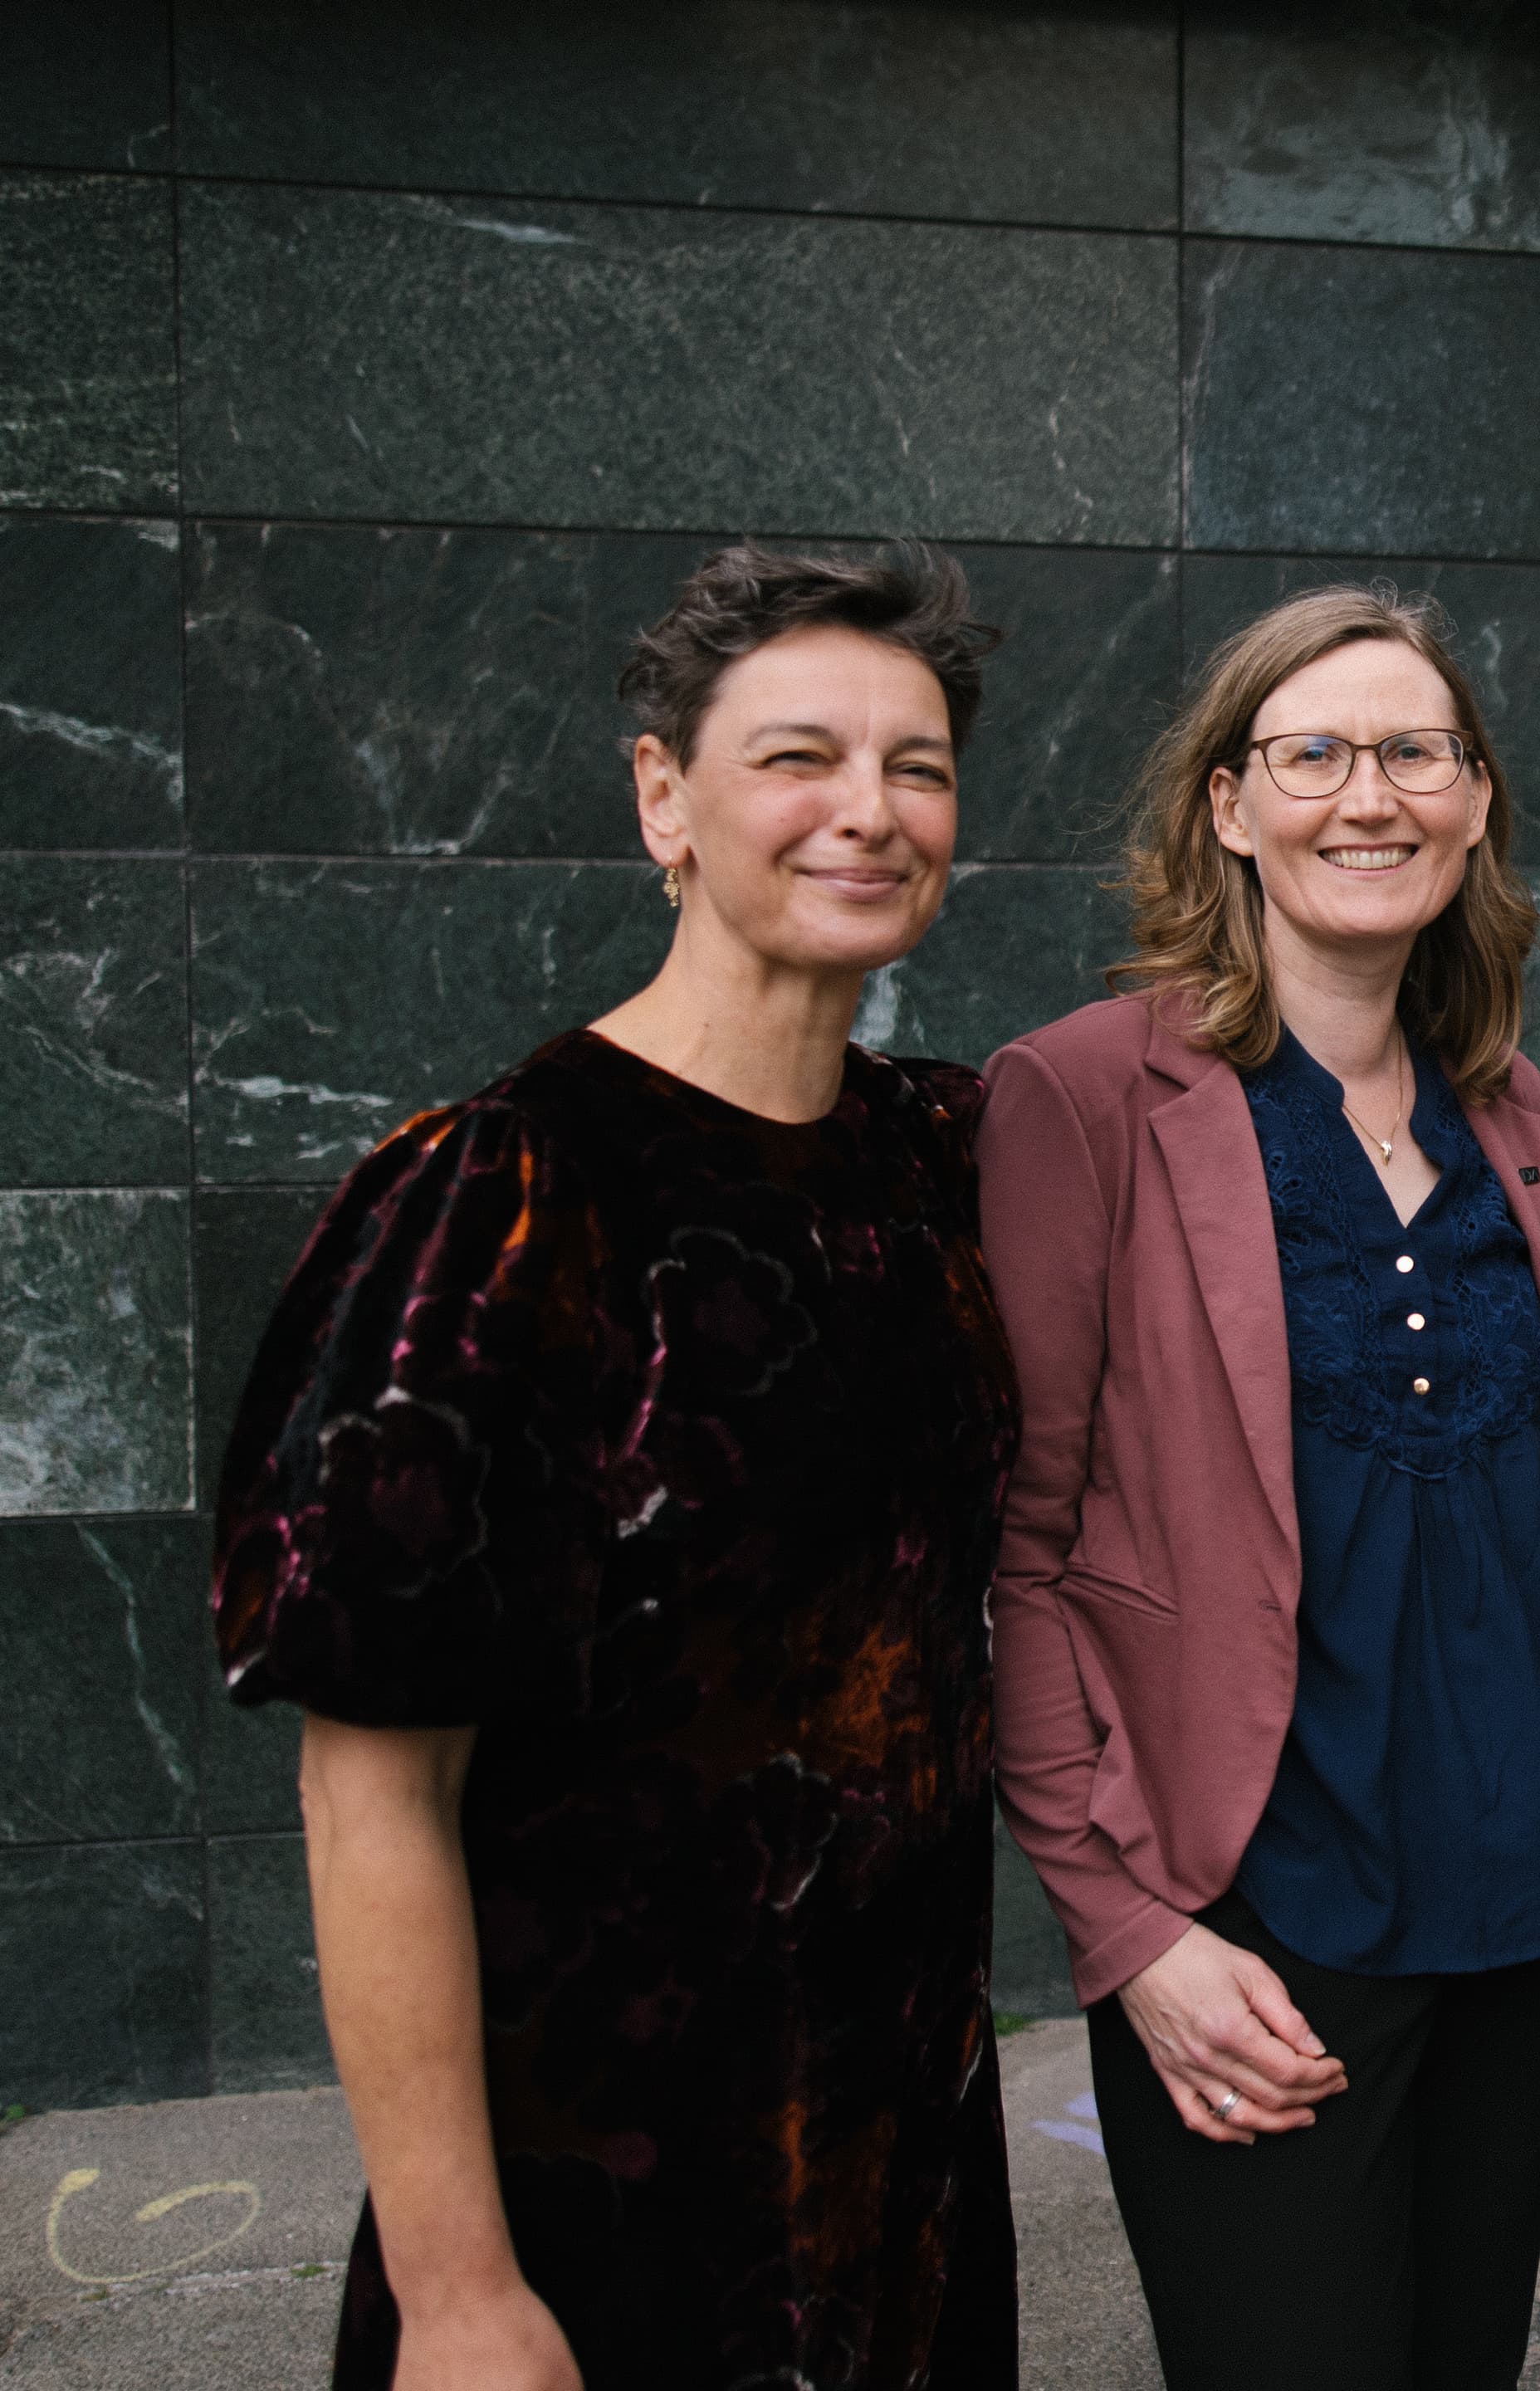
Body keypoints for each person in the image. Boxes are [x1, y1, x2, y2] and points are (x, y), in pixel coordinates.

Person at [210, 544, 1023, 2389]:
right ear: (663, 795)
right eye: (798, 757)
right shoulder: (502, 1200)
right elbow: (371, 1795)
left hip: (895, 2158)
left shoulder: (942, 1159)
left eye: (917, 768)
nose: (869, 812)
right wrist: (456, 2292)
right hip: (610, 2187)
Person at [981, 585, 1540, 2391]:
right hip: (1251, 1925)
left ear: (1474, 802)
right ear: (1229, 805)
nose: (1369, 795)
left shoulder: (1514, 1110)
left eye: (1416, 752)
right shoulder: (1084, 1096)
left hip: (1514, 1912)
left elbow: (1534, 1524)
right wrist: (1128, 1934)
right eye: (1314, 753)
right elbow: (1022, 1557)